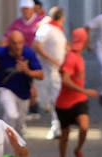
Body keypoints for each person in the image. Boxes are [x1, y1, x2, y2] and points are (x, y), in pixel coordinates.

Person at [0, 30, 44, 139]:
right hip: (4, 88)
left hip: (23, 93)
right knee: (11, 115)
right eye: (14, 43)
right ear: (9, 43)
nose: (17, 46)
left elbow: (41, 75)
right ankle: (4, 139)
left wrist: (27, 71)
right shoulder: (0, 52)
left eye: (20, 43)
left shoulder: (29, 54)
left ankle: (17, 147)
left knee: (19, 125)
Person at [56, 28, 97, 157]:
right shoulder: (71, 58)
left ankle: (78, 149)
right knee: (64, 137)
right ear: (84, 40)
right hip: (64, 104)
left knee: (84, 127)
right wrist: (85, 90)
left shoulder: (77, 55)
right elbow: (65, 80)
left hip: (79, 100)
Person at [31, 6, 66, 139]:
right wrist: (51, 59)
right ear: (61, 18)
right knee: (45, 102)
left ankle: (56, 128)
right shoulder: (46, 29)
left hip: (56, 72)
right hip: (44, 71)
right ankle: (48, 110)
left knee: (57, 100)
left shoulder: (58, 30)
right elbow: (36, 45)